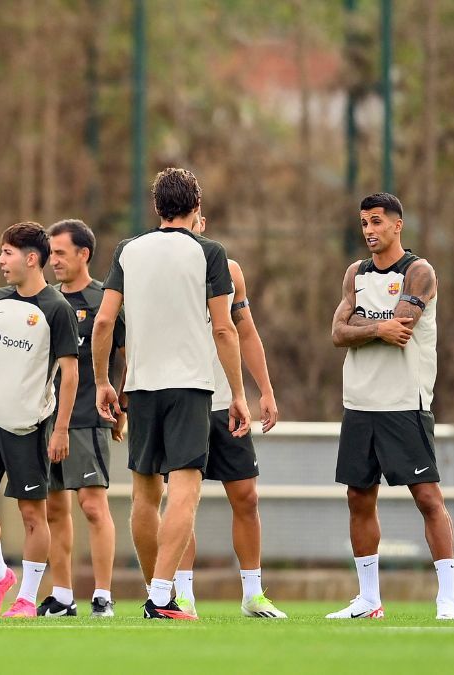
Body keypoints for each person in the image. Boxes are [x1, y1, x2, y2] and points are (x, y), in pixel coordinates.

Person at [92, 167, 250, 620]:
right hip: (191, 388)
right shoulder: (211, 253)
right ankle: (161, 595)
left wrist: (105, 381)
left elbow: (104, 322)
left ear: (157, 208)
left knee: (144, 495)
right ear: (196, 208)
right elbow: (223, 327)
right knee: (185, 490)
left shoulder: (128, 250)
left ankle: (159, 592)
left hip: (140, 388)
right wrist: (238, 392)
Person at [327, 192, 454, 621]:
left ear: (397, 225)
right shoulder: (355, 274)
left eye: (377, 222)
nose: (369, 230)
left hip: (405, 403)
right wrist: (376, 327)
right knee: (358, 497)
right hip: (360, 404)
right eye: (364, 222)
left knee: (426, 496)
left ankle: (447, 599)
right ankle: (368, 600)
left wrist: (370, 326)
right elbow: (336, 333)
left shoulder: (418, 272)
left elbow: (401, 327)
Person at [0, 222, 79, 619]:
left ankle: (26, 599)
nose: (0, 260)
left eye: (7, 253)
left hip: (29, 426)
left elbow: (70, 372)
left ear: (31, 258)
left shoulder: (56, 308)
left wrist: (61, 428)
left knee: (32, 513)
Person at [170, 212, 286, 619]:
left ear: (202, 221)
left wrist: (265, 390)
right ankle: (182, 595)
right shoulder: (160, 269)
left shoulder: (229, 269)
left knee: (246, 496)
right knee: (183, 501)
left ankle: (253, 594)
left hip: (227, 402)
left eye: (197, 218)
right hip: (184, 401)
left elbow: (245, 331)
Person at [37, 219, 124, 618]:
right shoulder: (45, 301)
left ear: (83, 254)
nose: (52, 260)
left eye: (59, 253)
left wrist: (122, 406)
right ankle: (63, 595)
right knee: (54, 508)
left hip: (89, 418)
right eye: (49, 252)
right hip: (45, 419)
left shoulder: (104, 299)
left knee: (92, 505)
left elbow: (125, 356)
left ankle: (103, 596)